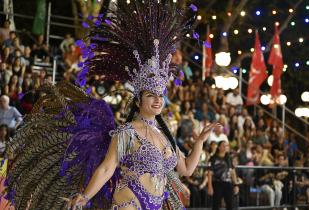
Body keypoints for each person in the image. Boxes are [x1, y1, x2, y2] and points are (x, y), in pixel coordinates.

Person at [4, 1, 218, 210]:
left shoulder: (165, 134)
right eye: (151, 95)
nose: (157, 100)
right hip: (129, 203)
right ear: (137, 100)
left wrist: (199, 141)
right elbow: (107, 167)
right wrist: (84, 196)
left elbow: (187, 169)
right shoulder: (126, 133)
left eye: (160, 96)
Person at [208, 141, 239, 210]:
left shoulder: (229, 158)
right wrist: (210, 186)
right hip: (217, 183)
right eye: (223, 146)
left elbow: (233, 172)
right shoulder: (213, 158)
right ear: (219, 147)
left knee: (230, 204)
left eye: (226, 146)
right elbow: (209, 173)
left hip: (228, 184)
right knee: (216, 205)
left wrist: (236, 184)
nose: (225, 147)